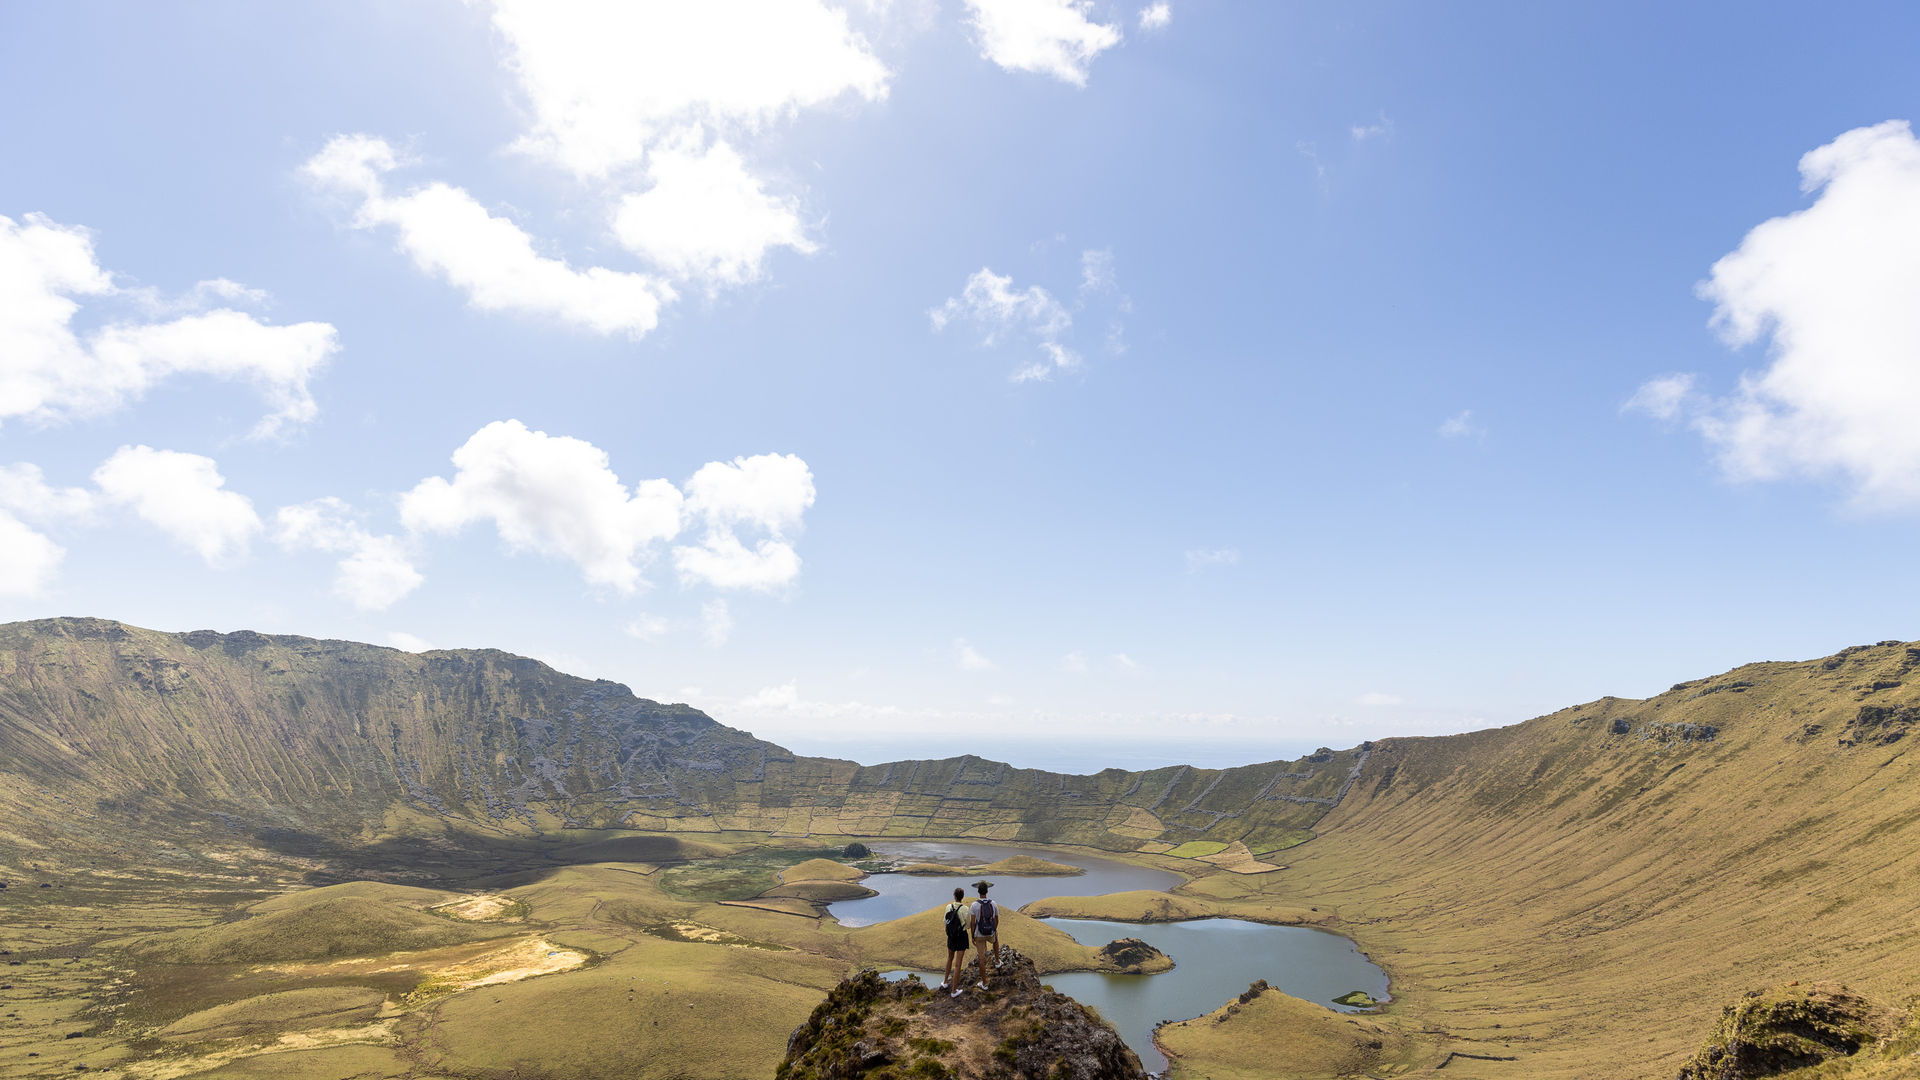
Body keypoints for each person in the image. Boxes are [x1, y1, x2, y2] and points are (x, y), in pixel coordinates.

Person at [967, 879, 1000, 990]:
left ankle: (984, 983)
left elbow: (972, 922)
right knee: (996, 938)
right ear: (987, 892)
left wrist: (973, 936)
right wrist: (993, 929)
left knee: (981, 958)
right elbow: (996, 919)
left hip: (979, 935)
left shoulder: (974, 905)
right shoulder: (993, 903)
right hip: (990, 933)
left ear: (978, 892)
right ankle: (997, 961)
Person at [941, 886, 971, 995]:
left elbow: (945, 921)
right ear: (962, 897)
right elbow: (968, 925)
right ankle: (954, 991)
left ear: (954, 896)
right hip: (961, 936)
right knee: (958, 964)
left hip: (951, 937)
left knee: (949, 958)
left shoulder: (948, 907)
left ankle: (945, 982)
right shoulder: (965, 909)